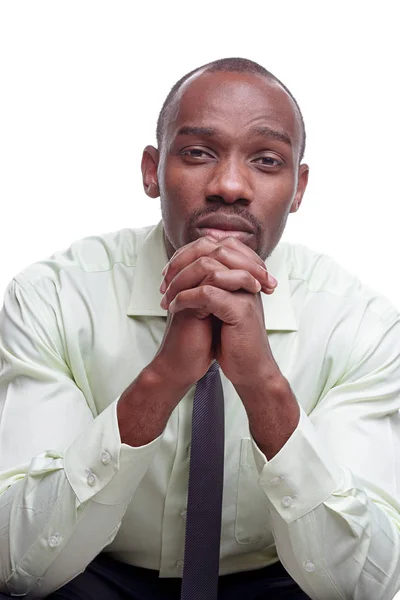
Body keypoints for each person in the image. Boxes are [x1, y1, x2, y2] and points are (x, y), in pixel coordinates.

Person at [0, 57, 400, 600]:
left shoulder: (362, 325)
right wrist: (160, 380)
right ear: (151, 170)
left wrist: (264, 386)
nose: (230, 186)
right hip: (92, 575)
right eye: (197, 153)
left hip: (277, 582)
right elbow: (16, 564)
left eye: (266, 160)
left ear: (299, 187)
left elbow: (365, 583)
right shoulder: (51, 299)